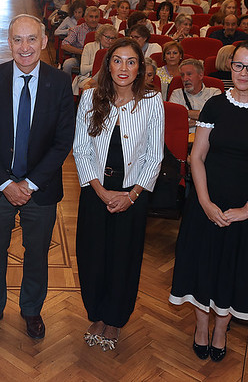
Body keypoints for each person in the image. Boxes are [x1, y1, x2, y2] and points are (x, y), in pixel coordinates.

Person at [169, 40, 248, 363]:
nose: (243, 73)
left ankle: (221, 330)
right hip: (207, 202)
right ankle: (201, 327)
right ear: (229, 66)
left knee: (235, 270)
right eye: (238, 65)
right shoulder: (215, 105)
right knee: (202, 266)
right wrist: (204, 202)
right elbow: (196, 157)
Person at [0, 14, 75, 342]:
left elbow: (63, 141)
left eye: (32, 39)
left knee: (37, 255)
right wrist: (6, 184)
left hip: (40, 189)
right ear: (9, 43)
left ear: (44, 41)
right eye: (18, 39)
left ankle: (31, 309)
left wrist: (28, 184)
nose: (25, 47)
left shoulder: (60, 83)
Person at [72, 38, 164, 351]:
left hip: (132, 195)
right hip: (95, 191)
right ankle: (97, 314)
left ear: (140, 68)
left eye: (131, 62)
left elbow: (154, 156)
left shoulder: (152, 101)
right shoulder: (90, 97)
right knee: (92, 256)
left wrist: (132, 195)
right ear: (107, 65)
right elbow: (81, 148)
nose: (123, 68)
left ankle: (115, 319)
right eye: (117, 60)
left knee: (123, 259)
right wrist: (99, 191)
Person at [170, 58, 222, 133]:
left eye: (189, 74)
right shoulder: (177, 94)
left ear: (200, 75)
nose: (185, 79)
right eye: (182, 75)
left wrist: (185, 113)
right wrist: (202, 119)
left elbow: (216, 118)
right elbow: (174, 122)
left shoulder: (214, 93)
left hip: (207, 137)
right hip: (184, 137)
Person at [72, 24, 118, 95]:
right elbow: (83, 70)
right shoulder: (89, 47)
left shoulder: (116, 50)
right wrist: (99, 64)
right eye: (107, 37)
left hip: (109, 79)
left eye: (113, 38)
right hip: (88, 77)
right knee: (97, 86)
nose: (110, 41)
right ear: (100, 36)